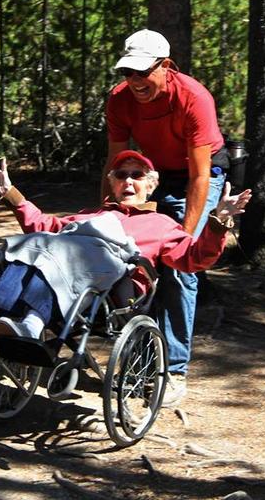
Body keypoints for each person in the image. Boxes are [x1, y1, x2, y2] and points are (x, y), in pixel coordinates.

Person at [0, 151, 251, 350]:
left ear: (151, 185)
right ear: (112, 183)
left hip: (117, 288)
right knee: (35, 245)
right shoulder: (91, 214)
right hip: (71, 269)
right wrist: (8, 191)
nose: (128, 181)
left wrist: (218, 221)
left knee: (62, 248)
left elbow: (195, 258)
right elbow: (43, 225)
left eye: (137, 175)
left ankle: (33, 325)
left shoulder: (162, 224)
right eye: (121, 175)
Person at [103, 29, 231, 405]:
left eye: (143, 72)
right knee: (124, 256)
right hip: (150, 172)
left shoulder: (193, 97)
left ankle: (173, 371)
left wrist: (185, 240)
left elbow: (200, 175)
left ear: (166, 66)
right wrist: (107, 215)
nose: (135, 81)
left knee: (178, 267)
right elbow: (115, 164)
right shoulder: (120, 99)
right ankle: (137, 355)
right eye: (129, 72)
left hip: (199, 172)